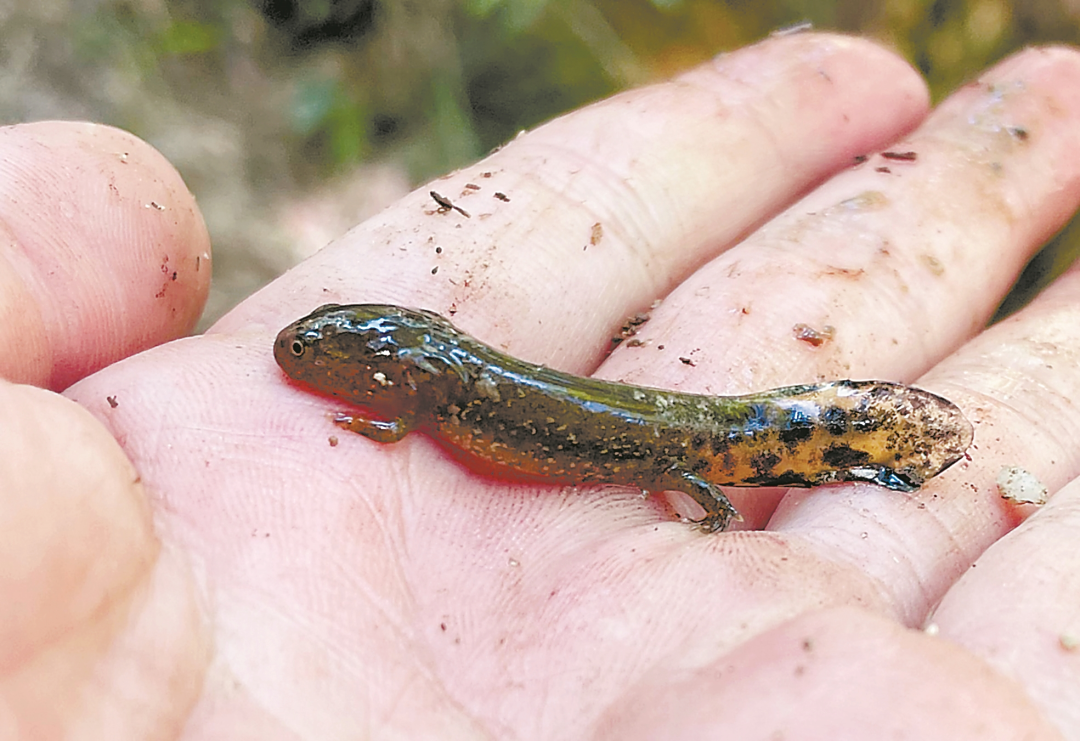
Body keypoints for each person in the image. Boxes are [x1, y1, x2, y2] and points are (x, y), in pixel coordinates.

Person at [3, 32, 1077, 739]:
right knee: (702, 440)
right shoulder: (419, 374)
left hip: (670, 439)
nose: (336, 365)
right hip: (654, 433)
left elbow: (404, 413)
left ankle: (858, 445)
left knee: (705, 442)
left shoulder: (416, 388)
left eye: (343, 358)